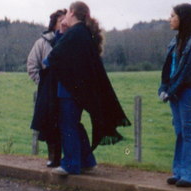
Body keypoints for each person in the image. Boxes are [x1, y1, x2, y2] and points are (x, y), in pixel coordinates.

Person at [37, 1, 129, 176]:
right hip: (76, 90)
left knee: (68, 125)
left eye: (68, 13)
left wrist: (61, 34)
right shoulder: (79, 33)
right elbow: (62, 50)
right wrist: (61, 31)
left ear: (72, 13)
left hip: (69, 90)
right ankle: (87, 161)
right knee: (74, 125)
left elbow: (53, 58)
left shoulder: (75, 34)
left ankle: (71, 164)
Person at [159, 3, 191, 188]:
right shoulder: (175, 41)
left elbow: (187, 73)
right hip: (174, 92)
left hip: (188, 93)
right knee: (180, 132)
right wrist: (163, 87)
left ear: (183, 19)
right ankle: (180, 172)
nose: (169, 19)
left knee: (189, 133)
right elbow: (167, 67)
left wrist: (170, 91)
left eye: (173, 16)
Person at [27, 9, 67, 168]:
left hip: (66, 89)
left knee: (68, 123)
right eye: (61, 21)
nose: (65, 23)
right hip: (48, 91)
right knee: (49, 123)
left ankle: (69, 158)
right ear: (54, 24)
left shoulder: (71, 39)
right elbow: (32, 65)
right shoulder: (42, 42)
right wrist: (43, 83)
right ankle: (54, 157)